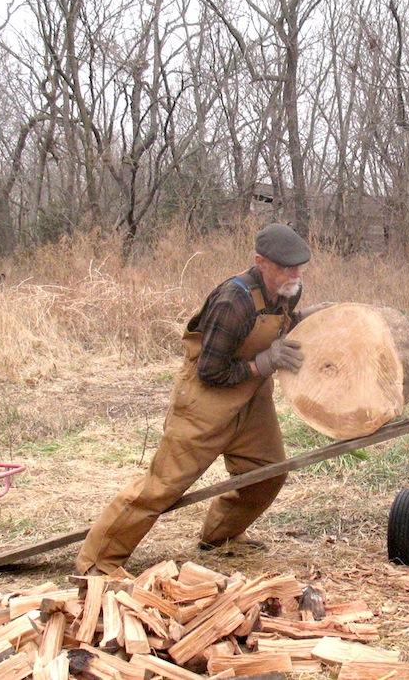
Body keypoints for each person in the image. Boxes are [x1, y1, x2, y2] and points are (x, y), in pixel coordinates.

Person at [76, 222, 319, 575]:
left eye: (299, 267)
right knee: (161, 488)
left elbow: (280, 325)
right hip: (206, 400)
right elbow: (210, 371)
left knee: (266, 473)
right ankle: (98, 563)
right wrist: (264, 363)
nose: (294, 275)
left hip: (252, 398)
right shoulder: (233, 301)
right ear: (261, 263)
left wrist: (309, 322)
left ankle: (221, 536)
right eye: (285, 268)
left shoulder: (289, 291)